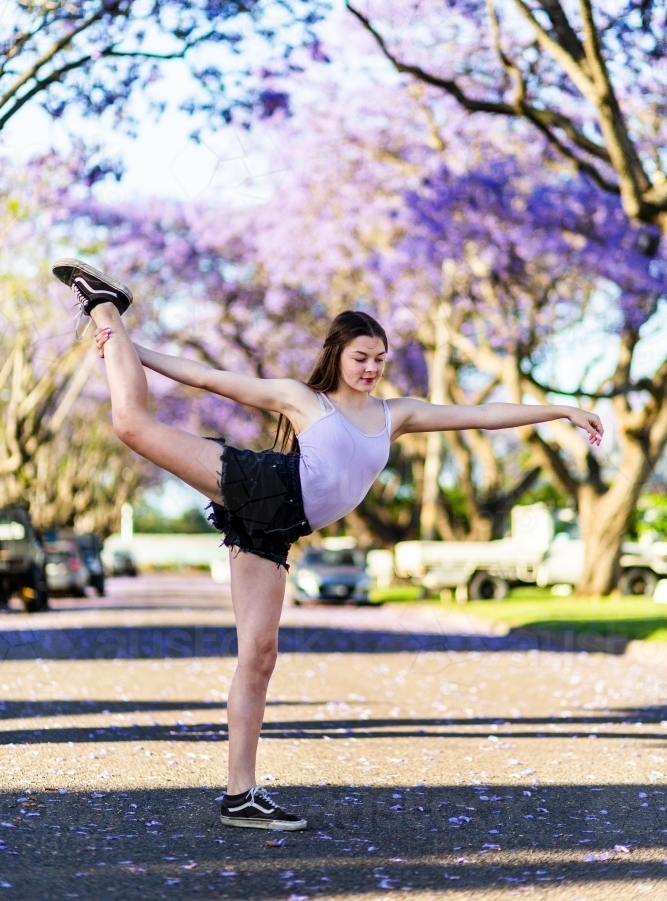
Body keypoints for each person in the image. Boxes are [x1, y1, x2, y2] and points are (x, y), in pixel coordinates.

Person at [52, 259, 604, 831]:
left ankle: (240, 795)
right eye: (360, 357)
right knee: (131, 424)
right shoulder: (304, 399)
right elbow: (208, 378)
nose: (371, 369)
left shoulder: (397, 415)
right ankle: (104, 304)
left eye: (380, 360)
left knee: (258, 657)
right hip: (263, 485)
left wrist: (560, 408)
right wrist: (129, 347)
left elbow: (484, 414)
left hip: (274, 527)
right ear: (338, 354)